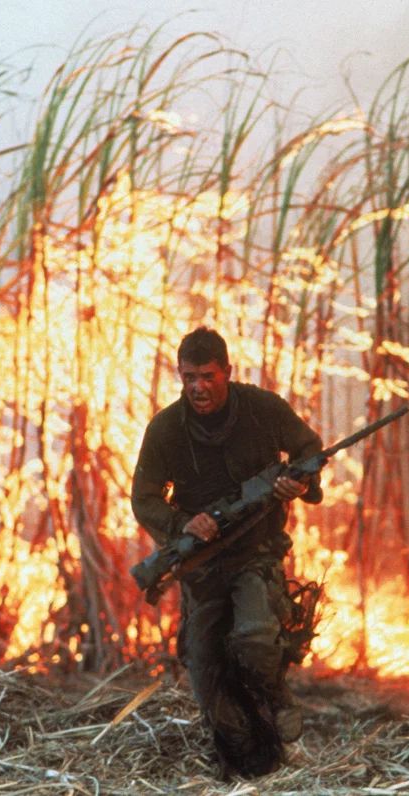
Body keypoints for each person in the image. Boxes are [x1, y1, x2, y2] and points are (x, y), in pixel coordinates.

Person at [131, 326, 323, 777]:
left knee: (255, 638)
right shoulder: (165, 428)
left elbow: (309, 449)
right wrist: (183, 523)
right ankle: (247, 765)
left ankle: (275, 695)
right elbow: (145, 498)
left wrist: (298, 484)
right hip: (202, 566)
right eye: (189, 377)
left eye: (208, 376)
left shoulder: (262, 408)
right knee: (206, 673)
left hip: (256, 552)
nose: (198, 387)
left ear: (227, 372)